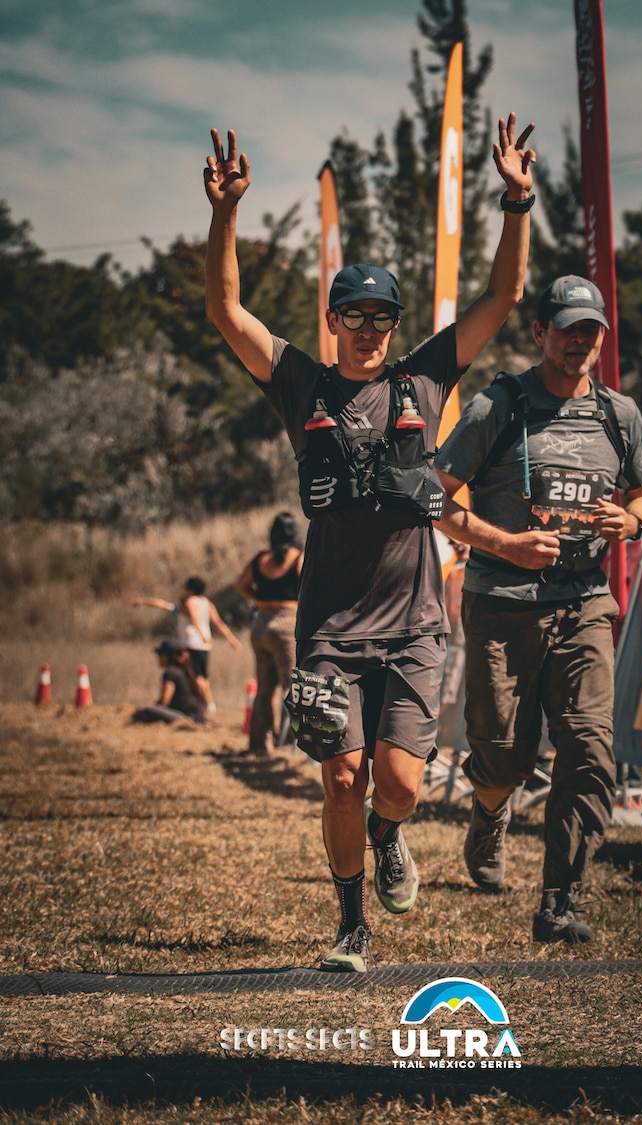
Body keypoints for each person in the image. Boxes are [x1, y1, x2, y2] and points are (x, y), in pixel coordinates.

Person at [203, 113, 536, 973]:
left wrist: (517, 202)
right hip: (330, 625)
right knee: (342, 778)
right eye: (353, 313)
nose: (368, 327)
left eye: (381, 315)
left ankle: (392, 836)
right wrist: (227, 212)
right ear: (333, 319)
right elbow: (225, 309)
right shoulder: (301, 384)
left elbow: (501, 297)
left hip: (415, 623)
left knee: (400, 784)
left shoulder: (423, 377)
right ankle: (352, 925)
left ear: (393, 323)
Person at [435, 274, 642, 944]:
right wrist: (505, 543)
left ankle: (559, 901)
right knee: (504, 757)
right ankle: (490, 810)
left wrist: (631, 521)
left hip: (584, 601)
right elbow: (435, 497)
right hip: (502, 603)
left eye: (592, 330)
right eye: (568, 329)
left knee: (590, 751)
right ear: (540, 333)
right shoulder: (498, 406)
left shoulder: (619, 414)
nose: (580, 341)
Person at [235, 511, 303, 754]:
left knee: (264, 689)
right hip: (286, 623)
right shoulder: (299, 558)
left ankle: (260, 744)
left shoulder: (260, 559)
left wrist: (259, 599)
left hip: (261, 623)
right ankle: (289, 741)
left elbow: (241, 585)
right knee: (291, 685)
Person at [133, 577, 242, 711]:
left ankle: (205, 704)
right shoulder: (207, 603)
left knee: (195, 676)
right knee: (203, 676)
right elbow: (218, 623)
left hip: (191, 643)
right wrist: (232, 640)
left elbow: (192, 617)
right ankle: (208, 703)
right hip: (204, 645)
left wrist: (201, 635)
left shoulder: (189, 602)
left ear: (190, 590)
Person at [132, 639, 207, 724]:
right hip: (198, 717)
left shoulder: (171, 673)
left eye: (160, 655)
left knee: (148, 709)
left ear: (169, 656)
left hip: (187, 718)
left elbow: (164, 701)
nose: (158, 659)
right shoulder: (185, 671)